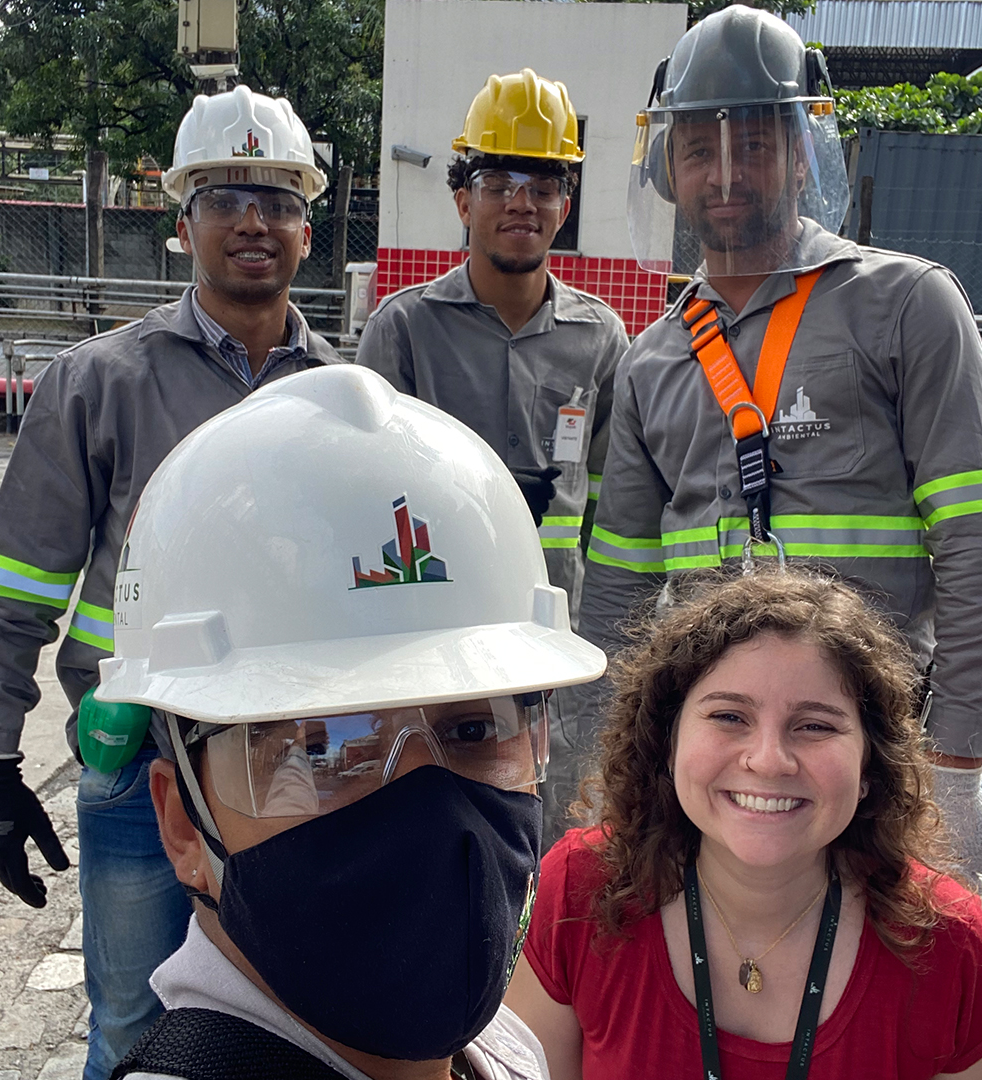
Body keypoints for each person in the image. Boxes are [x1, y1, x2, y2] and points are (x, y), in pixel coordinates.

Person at [578, 5, 982, 884]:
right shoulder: (653, 360)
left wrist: (956, 766)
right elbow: (618, 597)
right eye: (698, 149)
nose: (724, 173)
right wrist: (609, 758)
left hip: (879, 751)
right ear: (667, 168)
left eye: (753, 143)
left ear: (802, 151)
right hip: (723, 760)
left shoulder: (906, 308)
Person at [0, 84, 342, 1079]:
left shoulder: (343, 397)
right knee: (131, 1026)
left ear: (307, 223)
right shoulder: (99, 382)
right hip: (139, 763)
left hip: (296, 769)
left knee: (296, 1024)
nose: (253, 220)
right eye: (223, 196)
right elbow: (16, 582)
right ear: (183, 222)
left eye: (277, 198)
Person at [89, 363, 608, 1079]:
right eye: (323, 749)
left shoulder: (509, 1049)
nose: (434, 818)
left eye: (474, 730)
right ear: (183, 824)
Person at [506, 569, 982, 1079]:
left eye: (815, 725)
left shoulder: (955, 955)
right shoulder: (577, 894)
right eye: (730, 716)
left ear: (870, 766)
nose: (769, 760)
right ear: (667, 742)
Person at [356, 68, 629, 843]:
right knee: (434, 845)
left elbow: (617, 509)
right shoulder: (403, 332)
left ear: (564, 207)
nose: (521, 200)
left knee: (554, 848)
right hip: (432, 647)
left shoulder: (602, 340)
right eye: (498, 177)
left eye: (543, 182)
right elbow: (367, 504)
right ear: (462, 198)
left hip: (556, 652)